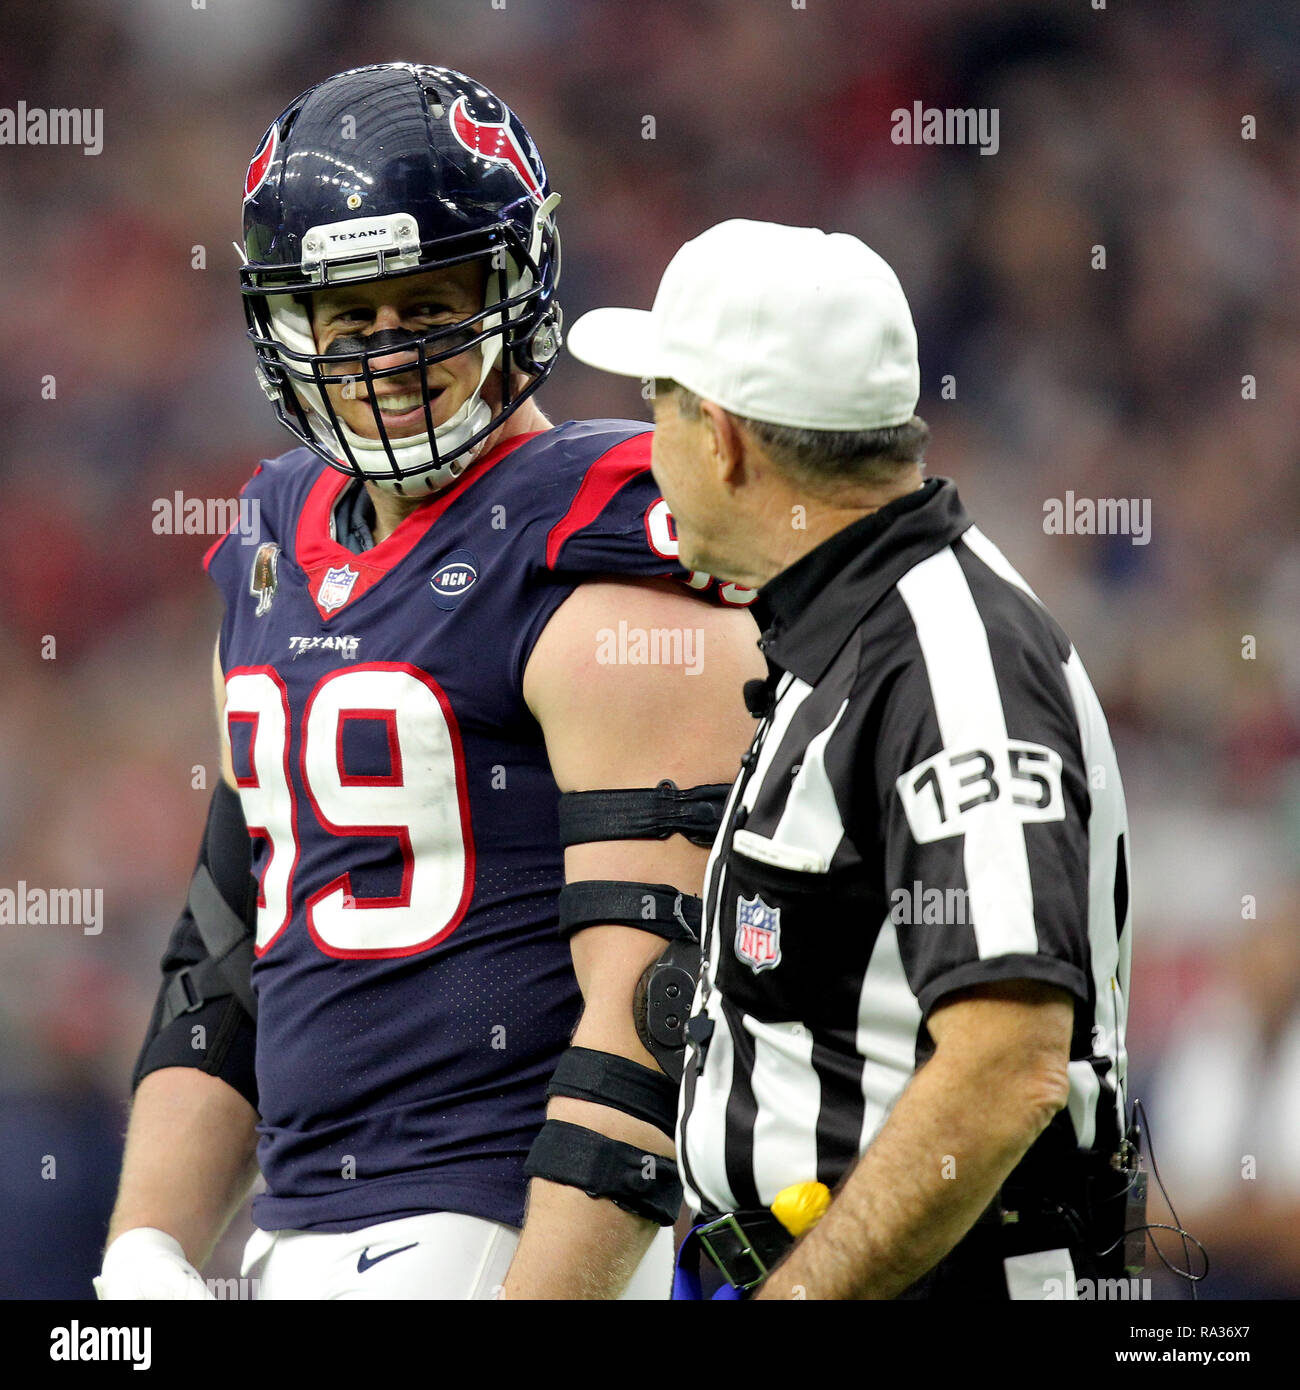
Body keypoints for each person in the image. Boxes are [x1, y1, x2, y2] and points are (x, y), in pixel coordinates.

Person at [94, 64, 763, 1302]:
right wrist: (145, 1246)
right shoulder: (268, 540)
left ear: (517, 292)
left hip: (509, 1225)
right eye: (347, 316)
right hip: (293, 1235)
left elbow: (662, 1005)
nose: (387, 351)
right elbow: (230, 934)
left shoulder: (596, 534)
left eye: (428, 302)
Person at [566, 218, 1138, 1300]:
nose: (648, 451)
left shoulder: (953, 660)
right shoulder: (847, 638)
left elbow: (1008, 1060)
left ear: (722, 437)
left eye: (658, 405)